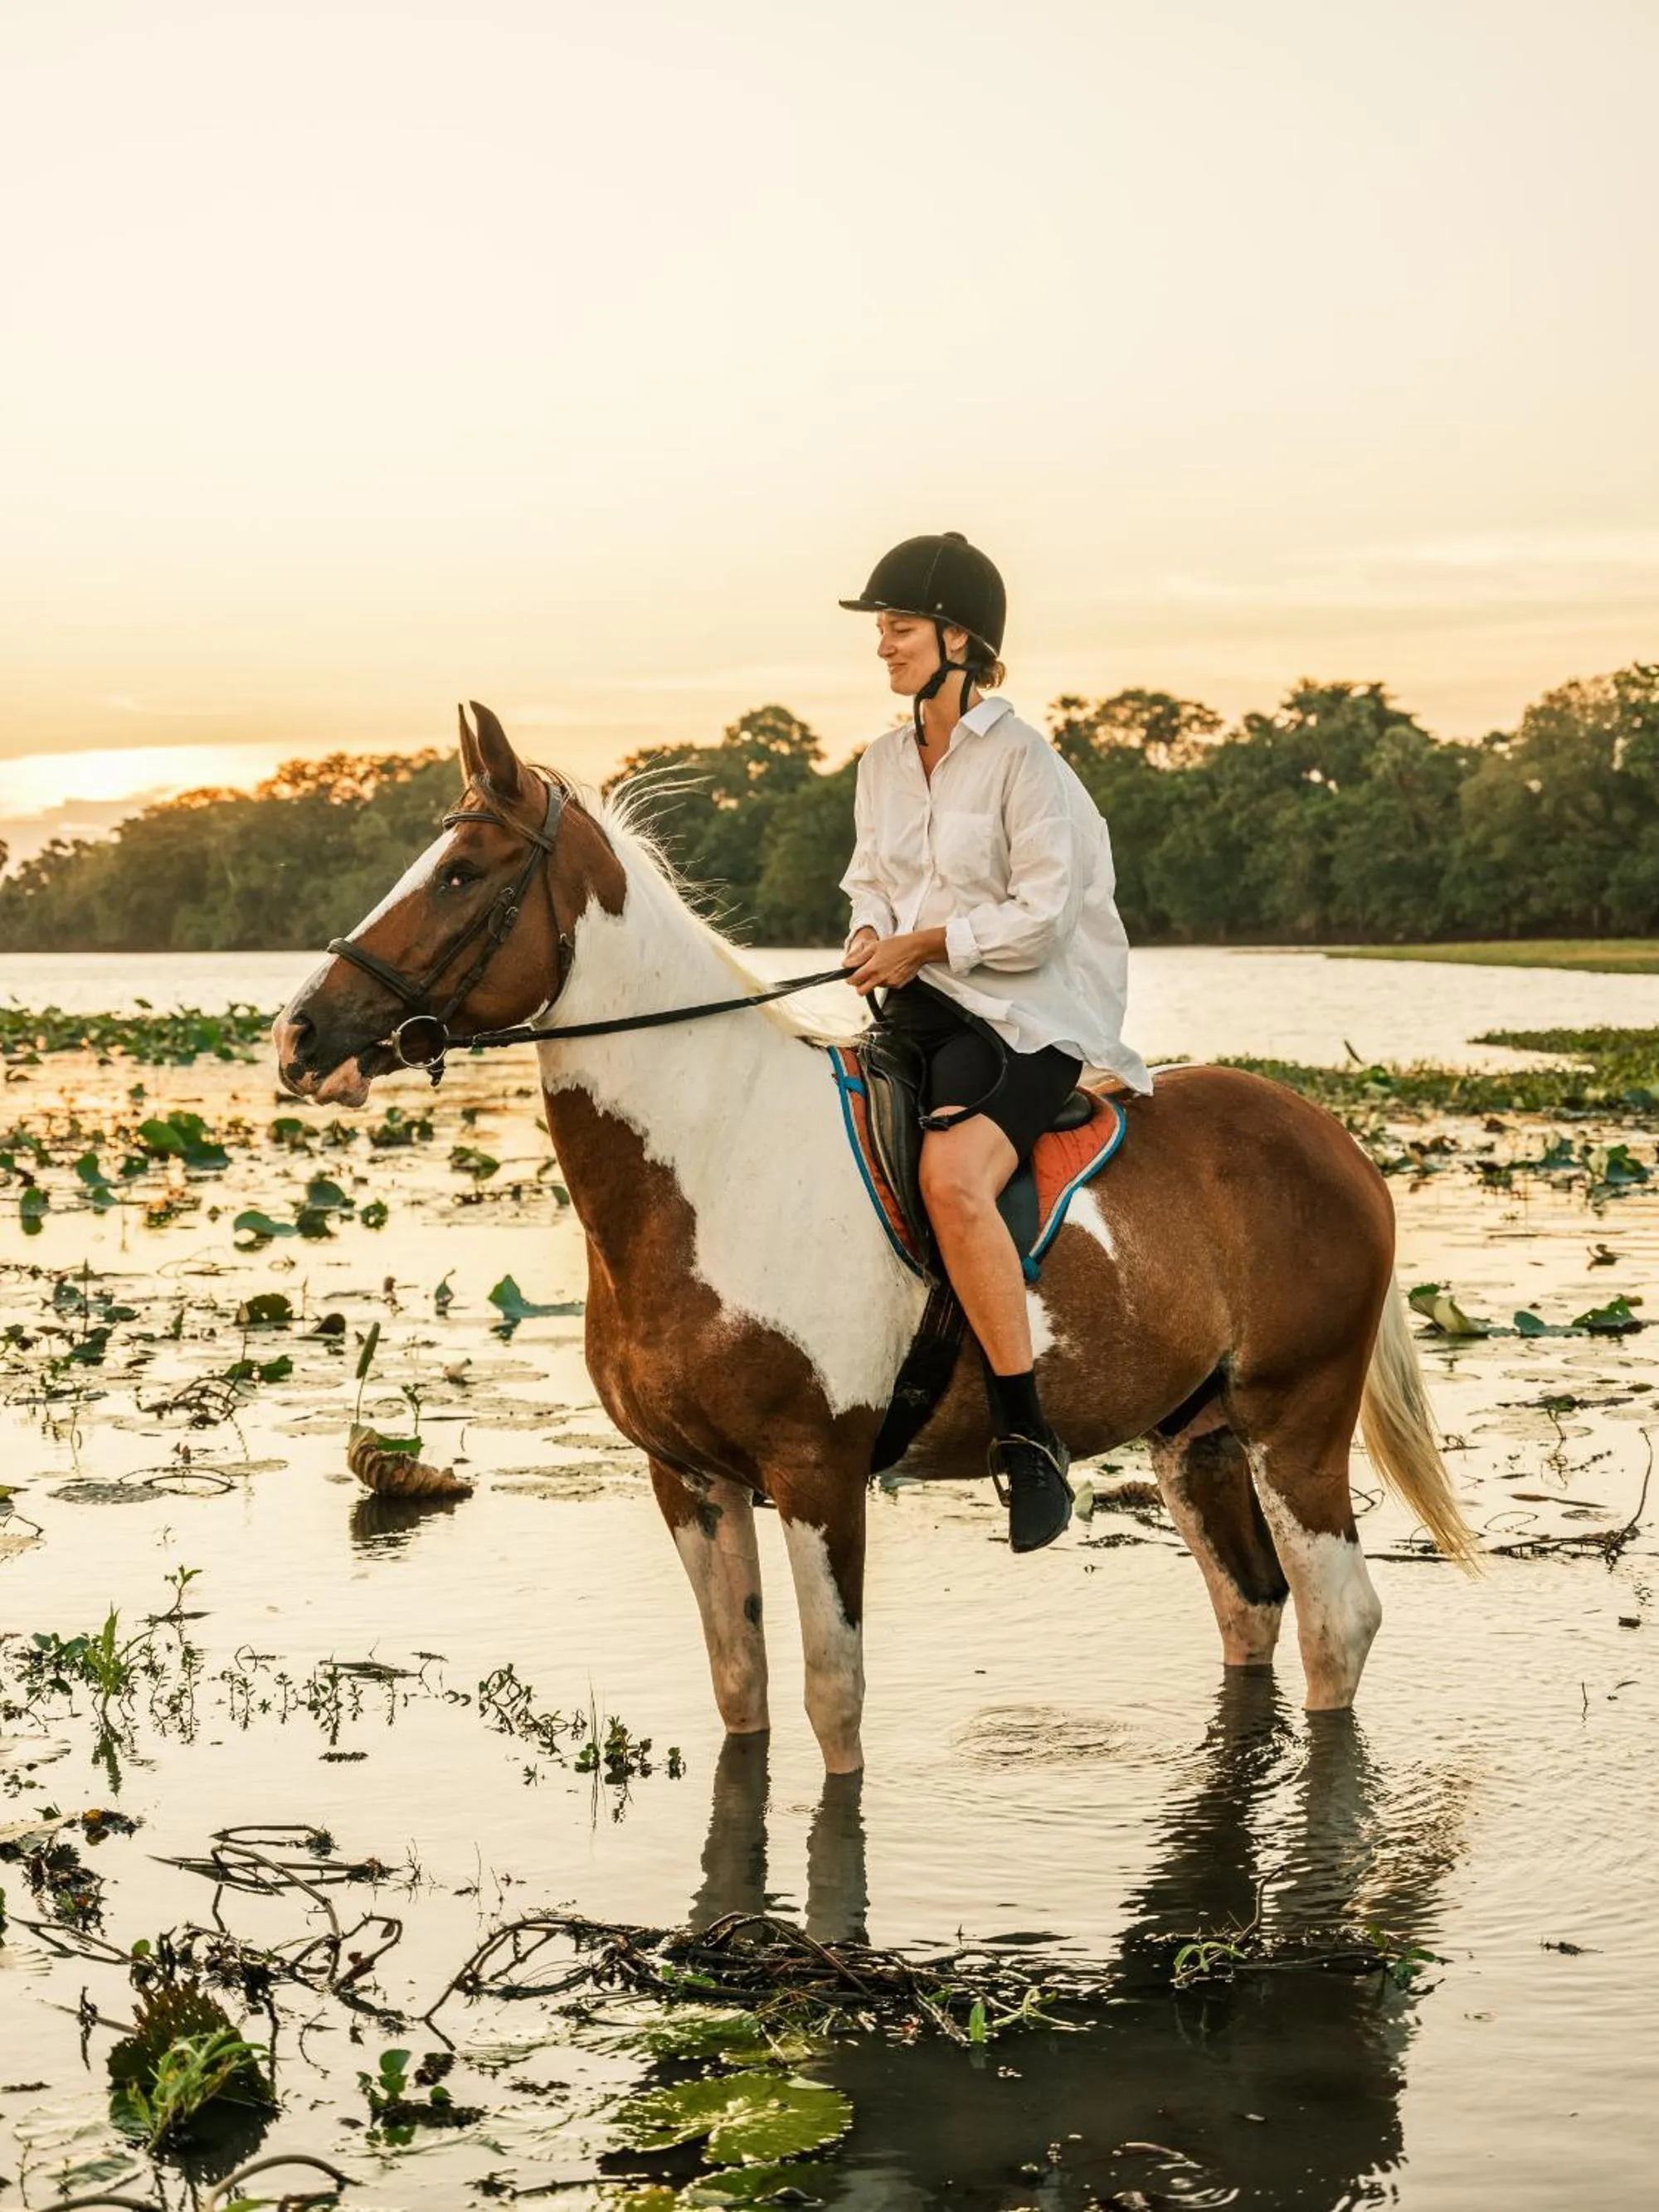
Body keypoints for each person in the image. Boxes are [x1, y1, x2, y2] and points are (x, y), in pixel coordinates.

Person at [839, 531, 1151, 1553]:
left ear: (958, 640)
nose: (882, 645)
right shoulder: (881, 764)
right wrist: (869, 937)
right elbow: (868, 882)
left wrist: (926, 941)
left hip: (1026, 1015)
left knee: (951, 1180)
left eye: (899, 627)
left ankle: (1025, 1431)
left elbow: (1041, 918)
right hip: (919, 1005)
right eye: (881, 628)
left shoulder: (1026, 762)